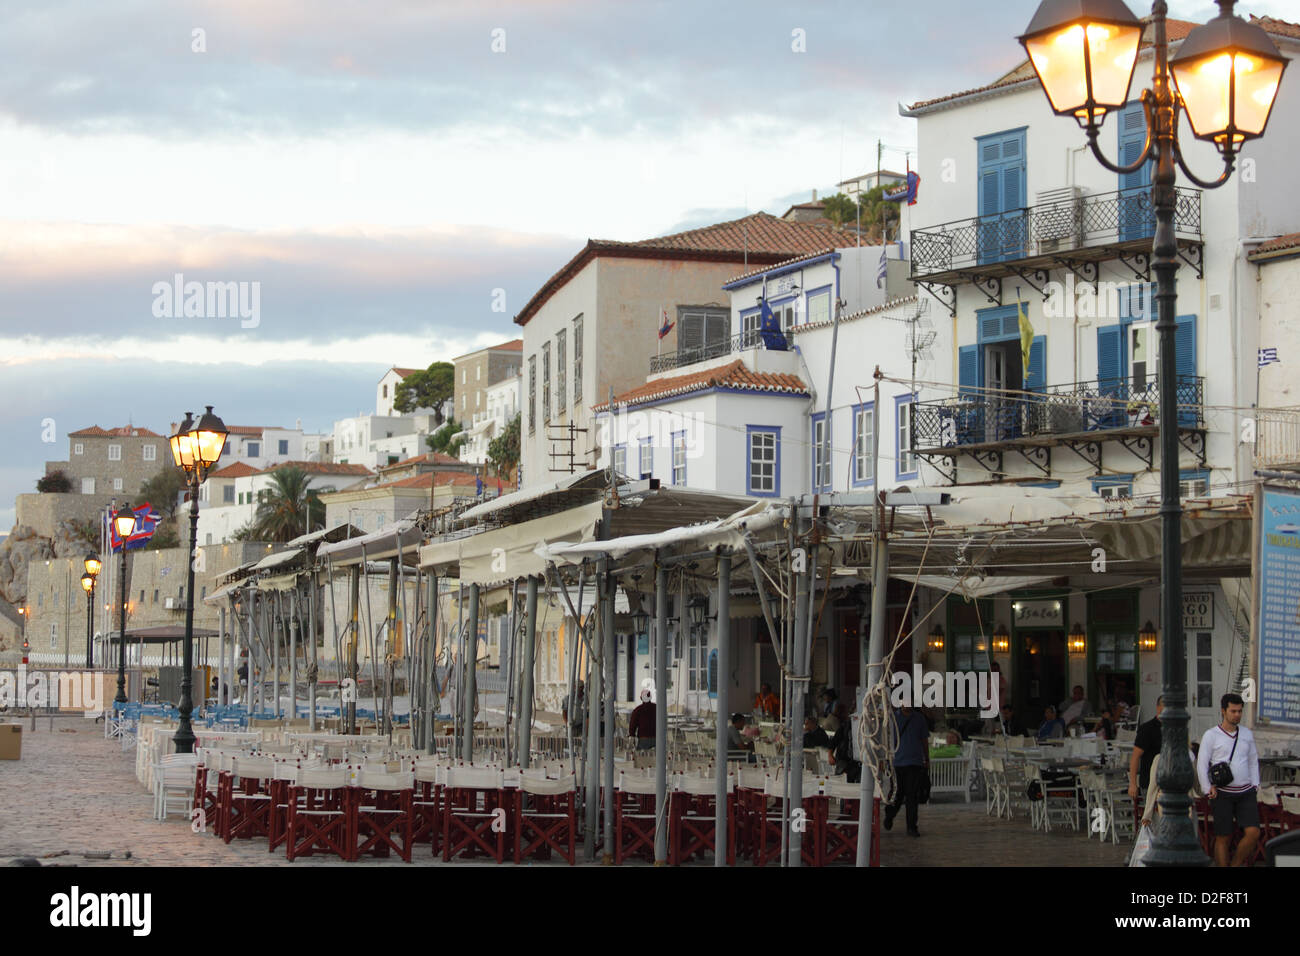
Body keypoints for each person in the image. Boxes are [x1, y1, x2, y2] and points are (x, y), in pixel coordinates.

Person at [1196, 692, 1261, 867]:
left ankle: (1235, 865)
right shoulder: (1211, 735)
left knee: (1253, 832)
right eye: (1233, 711)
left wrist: (1255, 784)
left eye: (1239, 711)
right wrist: (1207, 787)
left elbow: (1253, 760)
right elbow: (1201, 764)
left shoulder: (1247, 733)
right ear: (1223, 711)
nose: (1237, 715)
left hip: (1246, 791)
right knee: (1223, 837)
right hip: (1222, 793)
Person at [884, 705, 930, 837]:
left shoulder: (919, 718)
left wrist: (926, 759)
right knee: (897, 794)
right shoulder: (893, 718)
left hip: (914, 763)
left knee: (912, 796)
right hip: (897, 762)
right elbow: (887, 740)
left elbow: (924, 740)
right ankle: (889, 815)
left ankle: (912, 827)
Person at [1129, 696, 1165, 801]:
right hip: (1150, 782)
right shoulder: (1147, 729)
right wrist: (1133, 784)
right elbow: (1135, 757)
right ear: (1158, 708)